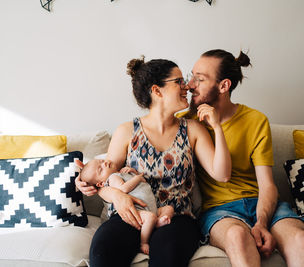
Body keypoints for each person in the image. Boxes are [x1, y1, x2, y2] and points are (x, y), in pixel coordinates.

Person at [76, 55, 232, 267]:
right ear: (157, 91)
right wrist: (116, 196)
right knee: (103, 255)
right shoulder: (127, 131)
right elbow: (104, 180)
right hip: (130, 214)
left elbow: (222, 174)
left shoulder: (194, 130)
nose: (186, 86)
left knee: (167, 259)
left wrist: (217, 128)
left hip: (176, 217)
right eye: (178, 82)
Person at [178, 49, 304, 267]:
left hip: (263, 204)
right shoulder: (188, 123)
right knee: (238, 236)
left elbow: (267, 185)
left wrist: (262, 223)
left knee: (302, 240)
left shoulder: (255, 120)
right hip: (220, 210)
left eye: (199, 79)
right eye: (192, 76)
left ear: (224, 86)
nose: (189, 85)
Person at [75, 159, 174, 255]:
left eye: (101, 161)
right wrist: (137, 178)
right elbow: (123, 189)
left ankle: (156, 223)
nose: (104, 163)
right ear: (101, 183)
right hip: (138, 209)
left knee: (169, 209)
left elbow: (134, 184)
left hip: (151, 207)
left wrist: (132, 172)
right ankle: (143, 242)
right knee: (150, 217)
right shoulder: (112, 178)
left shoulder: (121, 173)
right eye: (100, 169)